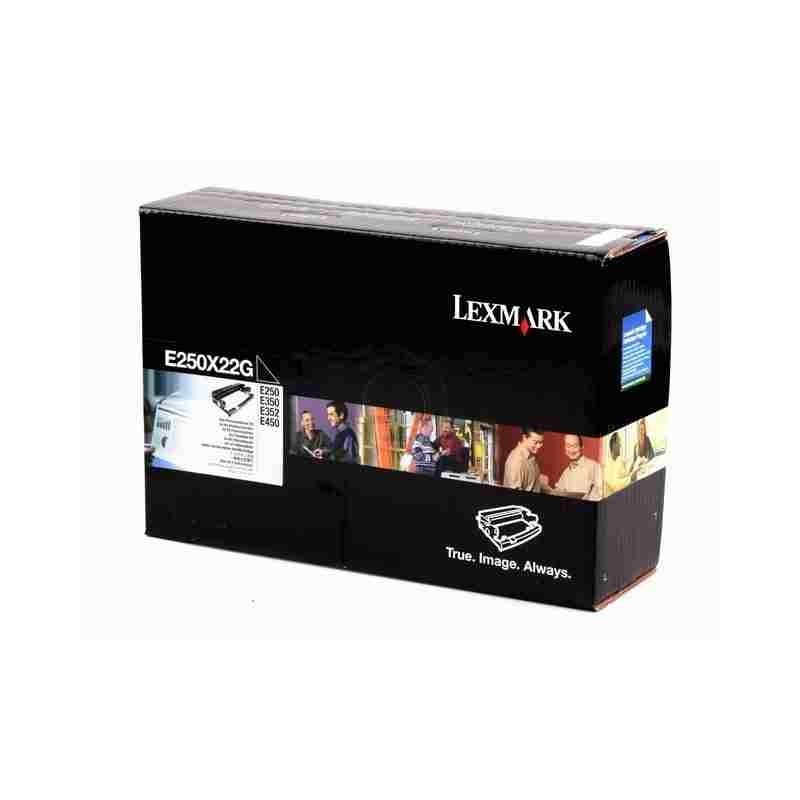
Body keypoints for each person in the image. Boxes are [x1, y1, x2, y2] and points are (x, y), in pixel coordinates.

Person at [553, 434, 602, 500]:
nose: (571, 450)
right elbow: (559, 491)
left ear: (582, 447)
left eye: (575, 446)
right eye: (568, 446)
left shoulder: (594, 466)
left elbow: (601, 493)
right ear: (565, 448)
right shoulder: (565, 472)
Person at [503, 426, 549, 492]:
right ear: (524, 438)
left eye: (541, 442)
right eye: (535, 442)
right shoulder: (516, 461)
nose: (539, 446)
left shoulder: (531, 454)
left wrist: (538, 479)